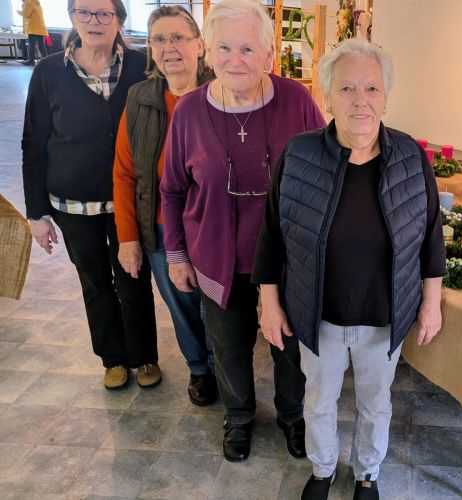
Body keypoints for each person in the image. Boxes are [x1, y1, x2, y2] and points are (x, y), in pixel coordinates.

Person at [252, 38, 446, 500]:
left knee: (376, 405)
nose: (361, 100)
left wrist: (432, 302)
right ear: (327, 96)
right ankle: (322, 470)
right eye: (347, 88)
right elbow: (271, 235)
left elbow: (431, 234)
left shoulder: (410, 157)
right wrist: (269, 303)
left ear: (386, 96)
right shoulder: (298, 154)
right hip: (318, 313)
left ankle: (367, 475)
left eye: (372, 88)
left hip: (384, 313)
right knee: (318, 403)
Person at [160, 0, 326, 462]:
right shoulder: (190, 112)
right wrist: (176, 255)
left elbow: (325, 176)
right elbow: (172, 190)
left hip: (288, 262)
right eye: (226, 47)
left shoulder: (297, 101)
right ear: (208, 52)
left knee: (290, 349)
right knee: (229, 346)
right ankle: (239, 417)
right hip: (216, 259)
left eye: (249, 48)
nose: (237, 59)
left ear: (270, 54)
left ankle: (293, 417)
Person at [21, 0, 157, 391]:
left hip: (129, 200)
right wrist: (37, 213)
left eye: (104, 14)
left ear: (119, 20)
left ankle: (144, 355)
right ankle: (112, 359)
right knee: (94, 281)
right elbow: (34, 143)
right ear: (72, 18)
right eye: (85, 12)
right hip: (72, 203)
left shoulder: (140, 65)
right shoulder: (49, 71)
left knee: (134, 277)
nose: (94, 21)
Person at [112, 5, 216, 406]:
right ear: (151, 49)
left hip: (212, 227)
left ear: (199, 45)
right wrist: (127, 237)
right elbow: (124, 172)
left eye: (178, 37)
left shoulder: (220, 93)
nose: (170, 47)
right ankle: (200, 369)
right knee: (182, 303)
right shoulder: (140, 99)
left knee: (217, 305)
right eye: (160, 39)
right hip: (157, 225)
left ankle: (225, 365)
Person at [19, 0, 48, 66]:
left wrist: (21, 10)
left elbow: (26, 14)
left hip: (33, 28)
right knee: (41, 45)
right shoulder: (36, 2)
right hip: (40, 27)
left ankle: (31, 61)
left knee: (31, 45)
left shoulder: (28, 2)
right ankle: (46, 60)